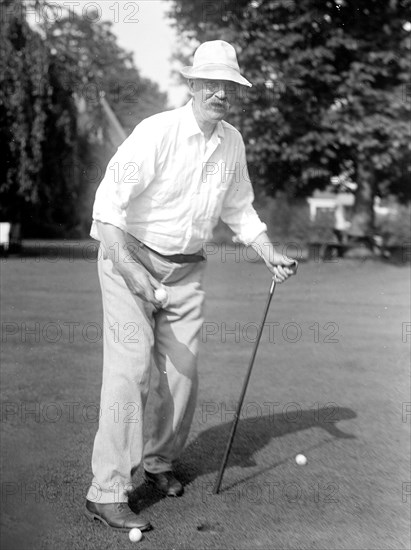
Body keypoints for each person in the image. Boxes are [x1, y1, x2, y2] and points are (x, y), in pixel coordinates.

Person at [84, 40, 297, 532]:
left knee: (183, 374)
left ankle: (158, 462)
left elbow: (239, 209)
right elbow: (107, 209)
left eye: (229, 85)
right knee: (130, 372)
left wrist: (268, 251)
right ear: (193, 84)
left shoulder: (233, 143)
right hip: (128, 257)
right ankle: (107, 490)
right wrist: (133, 273)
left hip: (186, 269)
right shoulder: (155, 133)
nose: (219, 92)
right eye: (211, 82)